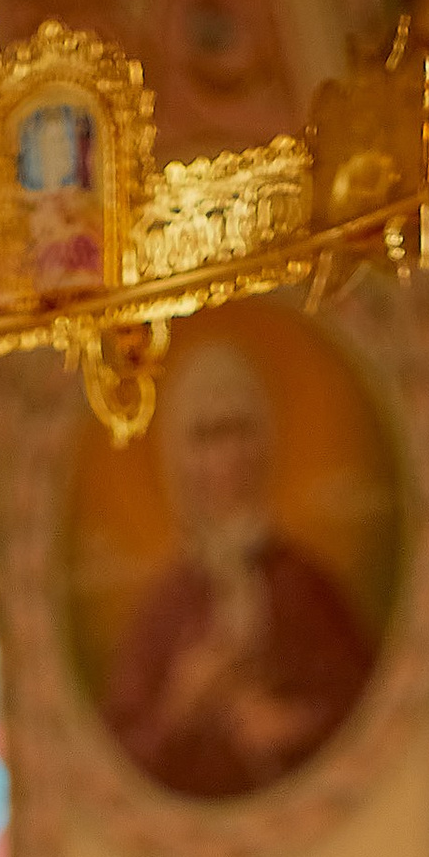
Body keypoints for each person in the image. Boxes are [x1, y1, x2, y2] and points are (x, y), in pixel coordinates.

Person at [100, 341, 378, 799]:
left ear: (263, 443)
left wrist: (293, 724)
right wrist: (181, 703)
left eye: (237, 431)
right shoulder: (163, 609)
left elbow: (368, 704)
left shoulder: (305, 586)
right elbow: (117, 762)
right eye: (205, 437)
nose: (224, 460)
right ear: (179, 459)